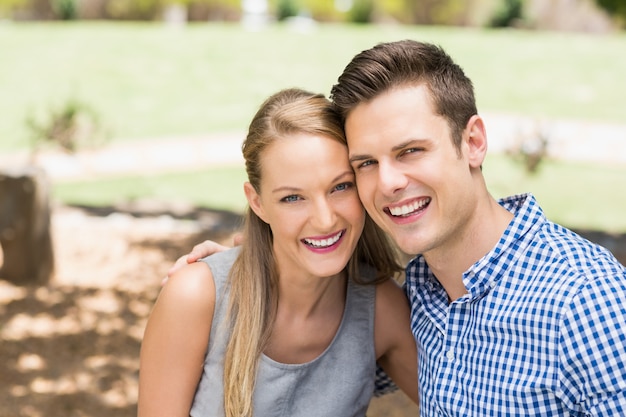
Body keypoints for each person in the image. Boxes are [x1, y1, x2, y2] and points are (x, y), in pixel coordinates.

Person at [171, 40, 626, 416]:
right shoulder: (420, 295)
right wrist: (252, 264)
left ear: (473, 143)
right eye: (366, 163)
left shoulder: (587, 302)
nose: (388, 183)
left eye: (410, 151)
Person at [138, 88, 419, 417]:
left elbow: (462, 401)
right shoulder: (196, 297)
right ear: (257, 202)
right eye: (292, 198)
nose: (325, 219)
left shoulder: (381, 310)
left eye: (340, 186)